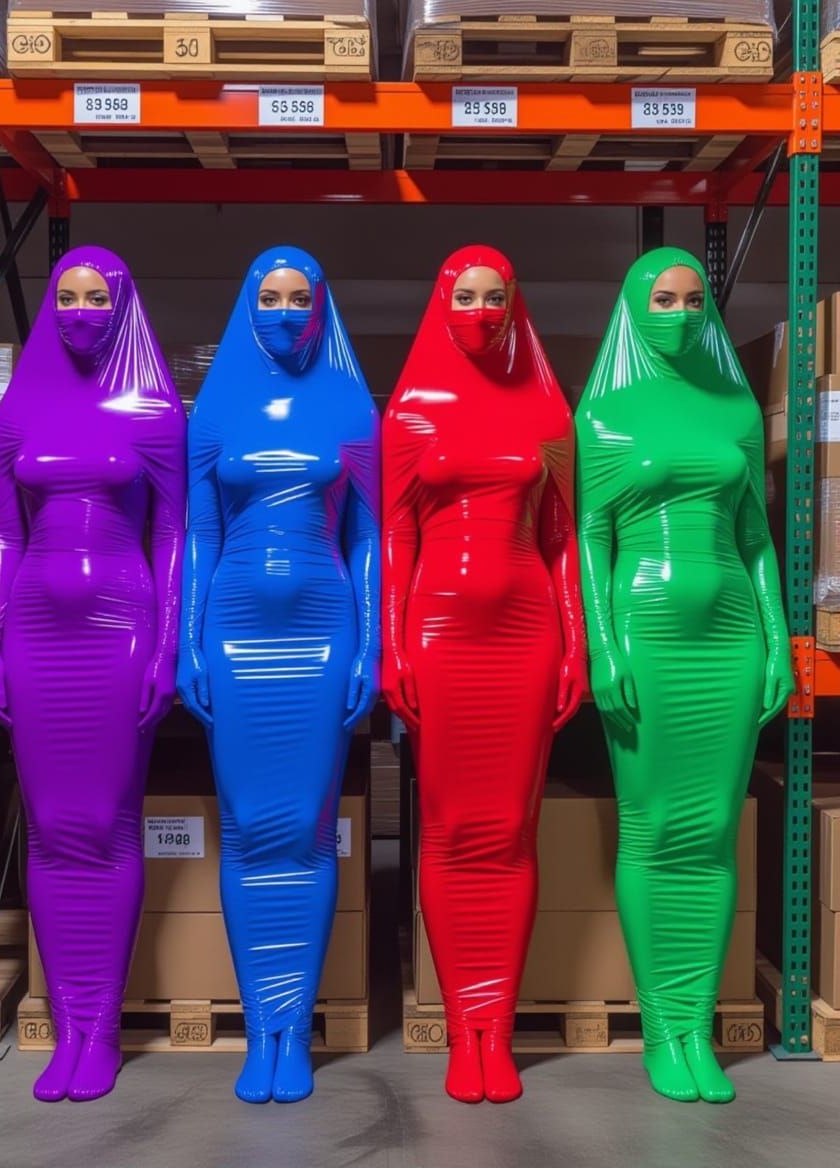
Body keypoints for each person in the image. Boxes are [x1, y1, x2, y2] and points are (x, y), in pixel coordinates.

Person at [576, 247, 795, 1104]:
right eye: (660, 299)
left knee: (711, 832)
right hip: (647, 634)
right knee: (656, 824)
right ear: (634, 307)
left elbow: (756, 539)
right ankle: (664, 1029)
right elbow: (592, 541)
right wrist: (603, 645)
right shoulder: (602, 414)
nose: (678, 311)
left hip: (732, 638)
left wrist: (776, 640)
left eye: (691, 298)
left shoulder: (735, 405)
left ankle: (698, 1025)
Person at [0, 246, 186, 1102]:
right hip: (33, 632)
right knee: (52, 823)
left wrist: (167, 644)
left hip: (119, 631)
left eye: (95, 296)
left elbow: (175, 535)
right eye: (64, 296)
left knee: (104, 822)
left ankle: (99, 1031)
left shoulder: (155, 410)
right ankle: (66, 1029)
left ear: (123, 303)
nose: (77, 309)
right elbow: (4, 533)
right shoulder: (18, 410)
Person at [382, 245, 586, 1103]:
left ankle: (492, 1031)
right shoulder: (406, 415)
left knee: (510, 829)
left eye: (494, 296)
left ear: (515, 303)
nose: (480, 310)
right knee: (450, 824)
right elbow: (393, 544)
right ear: (442, 300)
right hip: (439, 633)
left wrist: (578, 644)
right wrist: (392, 646)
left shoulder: (547, 408)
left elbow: (563, 541)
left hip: (527, 631)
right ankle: (459, 1028)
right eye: (465, 295)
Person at [178, 247, 379, 1104]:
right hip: (233, 634)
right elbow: (198, 538)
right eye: (271, 296)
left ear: (321, 307)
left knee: (303, 823)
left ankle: (291, 1035)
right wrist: (187, 642)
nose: (288, 311)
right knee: (247, 822)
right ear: (248, 306)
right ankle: (258, 1030)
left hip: (322, 632)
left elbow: (368, 541)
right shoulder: (215, 407)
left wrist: (372, 645)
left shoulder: (350, 405)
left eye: (302, 297)